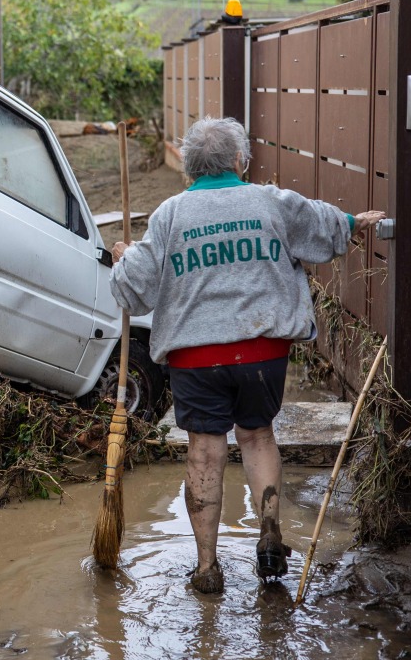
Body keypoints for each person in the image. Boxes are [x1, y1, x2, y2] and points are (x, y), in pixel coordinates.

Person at [110, 117, 384, 595]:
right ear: (239, 161)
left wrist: (121, 259)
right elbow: (324, 225)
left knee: (205, 450)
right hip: (264, 352)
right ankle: (269, 532)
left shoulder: (169, 215)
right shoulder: (270, 201)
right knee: (257, 436)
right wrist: (354, 222)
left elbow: (133, 291)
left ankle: (207, 567)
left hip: (195, 359)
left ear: (189, 168)